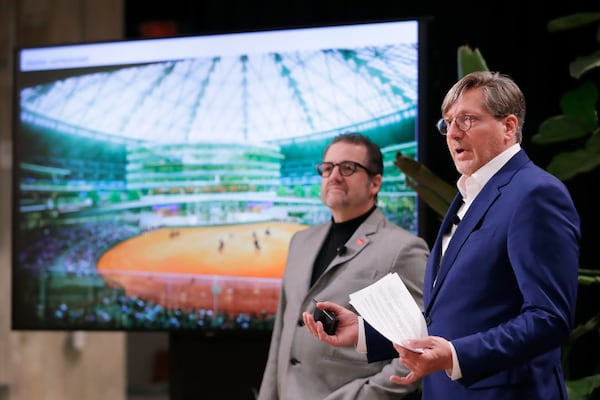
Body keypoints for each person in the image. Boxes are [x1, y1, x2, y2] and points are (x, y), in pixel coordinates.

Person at [303, 71, 581, 400]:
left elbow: (548, 318)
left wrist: (455, 356)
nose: (452, 133)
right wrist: (364, 332)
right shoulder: (470, 194)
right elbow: (451, 316)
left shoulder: (535, 194)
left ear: (508, 127)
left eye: (466, 120)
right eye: (447, 123)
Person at [257, 132, 430, 400]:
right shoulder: (300, 242)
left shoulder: (404, 249)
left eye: (348, 168)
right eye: (328, 168)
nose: (334, 176)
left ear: (375, 183)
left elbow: (420, 346)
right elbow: (282, 335)